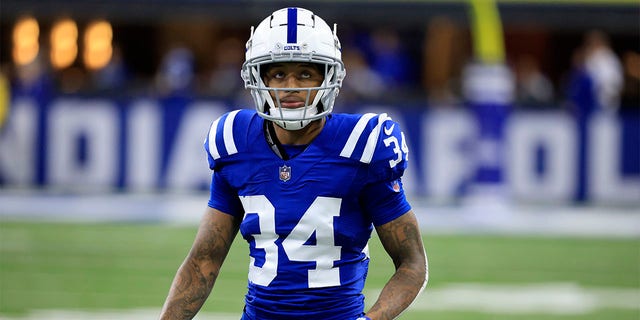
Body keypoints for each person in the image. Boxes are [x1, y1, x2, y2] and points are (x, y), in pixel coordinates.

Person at [159, 7, 428, 320]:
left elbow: (412, 265)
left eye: (305, 73)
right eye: (278, 73)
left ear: (330, 77)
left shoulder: (362, 146)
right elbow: (203, 262)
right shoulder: (235, 142)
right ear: (258, 79)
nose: (290, 86)